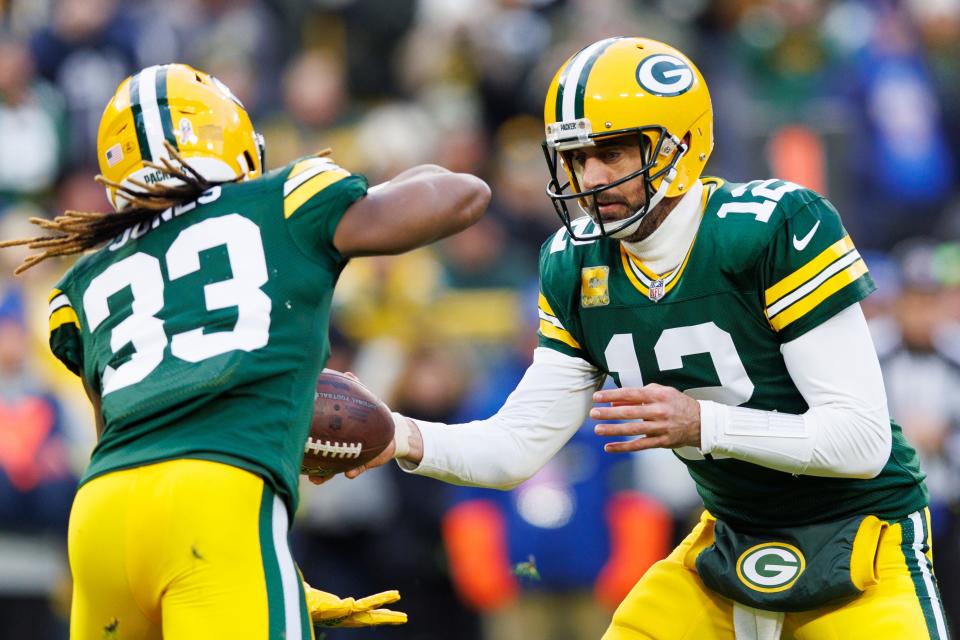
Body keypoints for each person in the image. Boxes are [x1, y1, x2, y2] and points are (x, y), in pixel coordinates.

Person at [337, 37, 951, 639]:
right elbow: (516, 447)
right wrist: (401, 435)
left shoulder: (772, 228)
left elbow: (862, 440)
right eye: (576, 157)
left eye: (613, 153)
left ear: (680, 146)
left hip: (864, 537)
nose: (592, 177)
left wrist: (701, 424)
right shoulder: (576, 265)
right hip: (732, 538)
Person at [0, 63, 490, 639]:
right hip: (217, 500)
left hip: (101, 518)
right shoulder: (279, 203)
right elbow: (464, 196)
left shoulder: (79, 282)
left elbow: (118, 424)